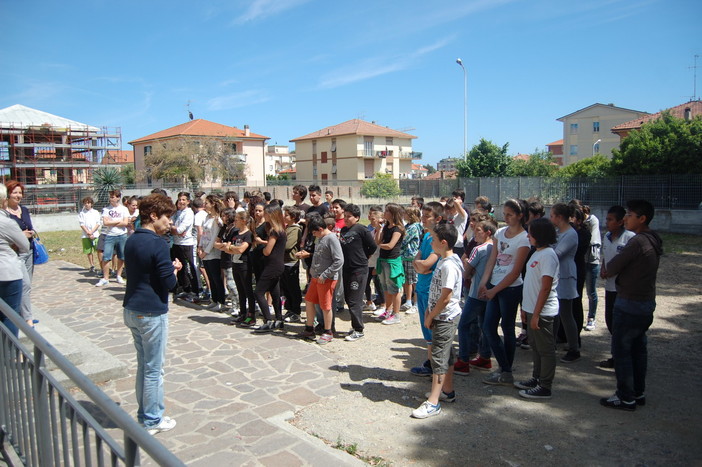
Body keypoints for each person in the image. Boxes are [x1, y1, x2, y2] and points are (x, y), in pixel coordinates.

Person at [123, 194, 180, 435]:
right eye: (167, 217)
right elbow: (169, 283)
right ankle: (152, 419)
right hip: (151, 312)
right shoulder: (157, 243)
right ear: (154, 216)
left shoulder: (132, 239)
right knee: (154, 369)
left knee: (144, 366)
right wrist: (175, 269)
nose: (169, 222)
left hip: (132, 309)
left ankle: (144, 414)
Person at [600, 200, 662, 411]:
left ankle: (625, 396)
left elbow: (614, 266)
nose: (625, 218)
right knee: (638, 349)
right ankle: (637, 392)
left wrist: (611, 270)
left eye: (630, 215)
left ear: (642, 219)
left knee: (623, 351)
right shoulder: (653, 239)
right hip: (645, 302)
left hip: (630, 302)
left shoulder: (636, 241)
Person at [411, 223, 463, 419]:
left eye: (433, 240)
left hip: (444, 317)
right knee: (446, 354)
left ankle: (433, 402)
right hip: (439, 314)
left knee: (439, 359)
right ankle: (447, 392)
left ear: (443, 242)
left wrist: (432, 315)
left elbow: (447, 297)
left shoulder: (449, 265)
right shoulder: (445, 260)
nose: (430, 243)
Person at [479, 199, 530, 386]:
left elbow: (516, 271)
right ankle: (504, 367)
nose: (505, 217)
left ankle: (506, 370)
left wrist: (494, 290)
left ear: (520, 216)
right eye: (505, 213)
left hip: (511, 288)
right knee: (488, 327)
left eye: (509, 214)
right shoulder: (500, 233)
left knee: (507, 328)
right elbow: (492, 260)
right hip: (494, 285)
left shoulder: (524, 239)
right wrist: (484, 283)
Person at [514, 217, 559, 399]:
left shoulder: (548, 255)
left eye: (531, 233)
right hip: (532, 310)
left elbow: (546, 287)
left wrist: (537, 314)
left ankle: (545, 386)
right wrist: (526, 310)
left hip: (542, 312)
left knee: (545, 349)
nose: (528, 236)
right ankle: (537, 378)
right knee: (536, 347)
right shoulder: (537, 253)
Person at [454, 219, 497, 375]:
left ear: (488, 232)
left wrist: (466, 265)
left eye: (478, 230)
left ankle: (463, 360)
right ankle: (485, 356)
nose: (475, 233)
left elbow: (466, 272)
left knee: (463, 325)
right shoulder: (496, 248)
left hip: (476, 292)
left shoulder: (479, 249)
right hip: (490, 291)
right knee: (485, 325)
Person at [598, 206, 635, 368]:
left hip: (623, 289)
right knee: (611, 322)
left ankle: (625, 357)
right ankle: (616, 355)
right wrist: (603, 268)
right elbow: (606, 257)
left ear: (621, 222)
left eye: (610, 219)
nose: (607, 222)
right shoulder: (606, 237)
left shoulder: (630, 238)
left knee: (622, 326)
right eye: (606, 219)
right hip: (609, 287)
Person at [410, 202, 445, 377]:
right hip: (422, 287)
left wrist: (420, 265)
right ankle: (430, 362)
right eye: (422, 216)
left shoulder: (437, 239)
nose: (423, 219)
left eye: (427, 216)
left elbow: (426, 265)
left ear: (438, 219)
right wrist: (420, 265)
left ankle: (434, 367)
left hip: (431, 290)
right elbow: (418, 262)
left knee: (432, 327)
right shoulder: (426, 236)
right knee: (426, 329)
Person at [299, 213, 343, 345]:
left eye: (314, 232)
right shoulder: (321, 238)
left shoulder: (332, 239)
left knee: (326, 305)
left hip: (326, 279)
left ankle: (328, 331)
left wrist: (325, 274)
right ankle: (309, 328)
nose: (313, 235)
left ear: (320, 229)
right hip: (316, 277)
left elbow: (339, 260)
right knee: (309, 300)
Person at [339, 203, 377, 342]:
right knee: (349, 299)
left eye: (349, 216)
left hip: (358, 269)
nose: (346, 219)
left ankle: (359, 329)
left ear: (357, 217)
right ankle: (355, 326)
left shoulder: (362, 229)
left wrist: (364, 257)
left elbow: (372, 246)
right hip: (346, 268)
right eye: (345, 216)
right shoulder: (343, 230)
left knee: (355, 300)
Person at [550, 203, 581, 363]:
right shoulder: (558, 232)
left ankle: (574, 348)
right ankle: (551, 343)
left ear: (560, 217)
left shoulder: (570, 234)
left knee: (566, 314)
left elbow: (557, 253)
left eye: (552, 215)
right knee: (554, 312)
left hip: (566, 275)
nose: (551, 218)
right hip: (556, 275)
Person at [0, 184, 30, 337]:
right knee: (10, 315)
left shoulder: (23, 211)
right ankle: (10, 354)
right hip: (7, 273)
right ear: (4, 200)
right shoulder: (6, 222)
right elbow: (24, 246)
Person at [252, 203, 287, 333]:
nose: (264, 215)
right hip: (278, 265)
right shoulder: (281, 230)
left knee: (259, 292)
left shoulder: (274, 231)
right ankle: (279, 319)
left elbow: (267, 251)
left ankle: (268, 321)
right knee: (275, 292)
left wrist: (261, 246)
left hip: (272, 265)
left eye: (266, 213)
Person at [5, 180, 35, 322]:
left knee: (27, 285)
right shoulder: (5, 214)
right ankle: (27, 319)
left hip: (28, 250)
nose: (18, 195)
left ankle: (25, 313)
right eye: (14, 192)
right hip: (15, 252)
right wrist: (20, 235)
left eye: (20, 193)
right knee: (24, 284)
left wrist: (31, 232)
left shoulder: (24, 210)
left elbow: (29, 225)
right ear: (7, 194)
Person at [375, 203, 405, 325]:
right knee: (386, 288)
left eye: (387, 211)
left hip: (392, 261)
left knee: (394, 289)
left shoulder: (398, 229)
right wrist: (378, 229)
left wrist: (378, 245)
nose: (384, 213)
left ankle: (396, 314)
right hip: (383, 260)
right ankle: (388, 310)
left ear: (393, 213)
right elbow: (378, 240)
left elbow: (390, 245)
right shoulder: (386, 226)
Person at [226, 211, 255, 326]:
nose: (235, 221)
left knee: (248, 290)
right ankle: (242, 313)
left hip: (244, 265)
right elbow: (225, 248)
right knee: (240, 290)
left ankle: (251, 315)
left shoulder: (248, 234)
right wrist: (230, 247)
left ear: (243, 221)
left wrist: (230, 247)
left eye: (237, 219)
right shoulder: (235, 232)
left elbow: (241, 249)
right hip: (235, 263)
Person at [171, 192, 201, 301]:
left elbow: (180, 229)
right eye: (179, 199)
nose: (181, 202)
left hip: (186, 244)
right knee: (180, 268)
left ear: (188, 201)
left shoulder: (189, 213)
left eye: (184, 200)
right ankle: (185, 289)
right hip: (176, 243)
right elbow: (170, 226)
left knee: (189, 268)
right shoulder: (177, 213)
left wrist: (176, 230)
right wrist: (174, 230)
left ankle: (195, 292)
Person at [96, 189, 129, 287]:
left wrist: (113, 222)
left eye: (113, 197)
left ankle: (118, 275)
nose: (111, 199)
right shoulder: (106, 209)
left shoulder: (124, 209)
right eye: (110, 197)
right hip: (109, 235)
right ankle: (105, 278)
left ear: (118, 197)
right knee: (106, 257)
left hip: (122, 235)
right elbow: (106, 223)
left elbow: (125, 223)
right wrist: (118, 221)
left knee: (121, 256)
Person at [198, 195, 225, 312]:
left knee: (216, 278)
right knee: (210, 277)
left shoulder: (217, 219)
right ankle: (214, 300)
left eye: (207, 203)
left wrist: (206, 251)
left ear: (213, 204)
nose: (205, 205)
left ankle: (221, 301)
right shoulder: (207, 217)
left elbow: (214, 237)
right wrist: (199, 246)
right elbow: (204, 233)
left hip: (213, 253)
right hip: (204, 250)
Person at [214, 208, 240, 315]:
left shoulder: (234, 229)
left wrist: (224, 246)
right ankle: (234, 304)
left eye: (224, 216)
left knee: (232, 283)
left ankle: (237, 305)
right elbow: (216, 243)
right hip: (224, 257)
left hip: (231, 259)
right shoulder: (224, 228)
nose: (222, 218)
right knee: (229, 283)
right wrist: (222, 246)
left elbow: (229, 246)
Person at [281, 206, 304, 323]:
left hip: (291, 262)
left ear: (293, 217)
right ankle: (289, 309)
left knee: (293, 287)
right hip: (284, 262)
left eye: (286, 215)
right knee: (286, 288)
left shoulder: (295, 229)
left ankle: (296, 311)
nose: (284, 217)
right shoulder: (287, 228)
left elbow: (288, 245)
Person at [400, 206, 422, 315]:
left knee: (414, 281)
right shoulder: (408, 226)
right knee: (407, 280)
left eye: (406, 213)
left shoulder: (414, 227)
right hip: (404, 256)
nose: (404, 215)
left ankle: (416, 303)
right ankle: (408, 300)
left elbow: (404, 240)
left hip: (411, 256)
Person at [582, 205, 601, 331]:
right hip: (580, 261)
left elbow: (591, 240)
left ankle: (591, 318)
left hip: (591, 260)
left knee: (591, 291)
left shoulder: (592, 221)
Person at [78, 196, 101, 273]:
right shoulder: (82, 213)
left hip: (95, 234)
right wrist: (88, 232)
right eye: (85, 203)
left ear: (91, 203)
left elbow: (98, 223)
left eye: (88, 203)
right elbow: (82, 224)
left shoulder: (96, 212)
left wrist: (92, 232)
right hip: (86, 235)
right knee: (88, 251)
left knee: (99, 250)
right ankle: (92, 265)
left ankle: (101, 265)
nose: (87, 204)